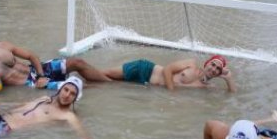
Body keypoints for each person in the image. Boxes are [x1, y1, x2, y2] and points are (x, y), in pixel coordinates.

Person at [0, 32, 110, 92]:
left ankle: (110, 83)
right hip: (31, 84)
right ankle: (107, 91)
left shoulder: (3, 46)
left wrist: (41, 75)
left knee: (77, 62)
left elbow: (31, 56)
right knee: (75, 86)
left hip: (38, 71)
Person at [100, 55, 236, 92]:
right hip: (146, 69)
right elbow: (167, 70)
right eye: (213, 64)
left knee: (105, 82)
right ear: (207, 63)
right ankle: (80, 75)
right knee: (104, 74)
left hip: (145, 85)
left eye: (218, 69)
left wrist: (228, 78)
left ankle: (82, 83)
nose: (214, 69)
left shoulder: (205, 87)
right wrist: (171, 92)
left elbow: (231, 95)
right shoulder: (191, 64)